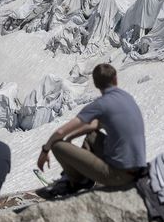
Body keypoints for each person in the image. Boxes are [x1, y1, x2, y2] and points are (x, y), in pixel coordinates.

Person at [36, 63, 147, 198]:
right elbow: (94, 126)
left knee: (57, 145)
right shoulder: (126, 97)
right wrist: (71, 137)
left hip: (119, 176)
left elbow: (60, 133)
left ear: (95, 84)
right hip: (138, 170)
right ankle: (82, 178)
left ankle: (76, 181)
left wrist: (45, 150)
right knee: (92, 137)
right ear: (115, 79)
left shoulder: (101, 104)